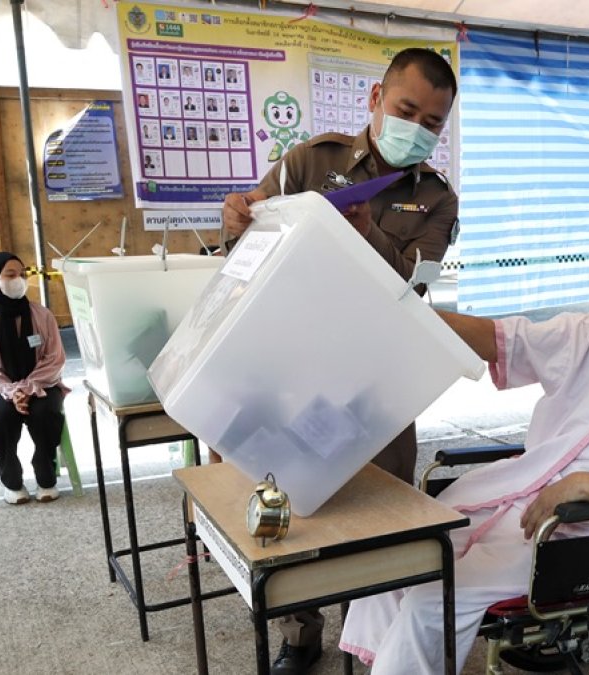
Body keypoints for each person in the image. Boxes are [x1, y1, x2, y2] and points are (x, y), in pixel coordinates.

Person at [339, 229, 589, 673]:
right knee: (390, 561)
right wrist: (404, 312)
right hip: (510, 498)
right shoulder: (588, 337)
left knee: (431, 597)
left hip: (581, 541)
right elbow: (495, 337)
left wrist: (587, 486)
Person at [221, 47, 460, 675]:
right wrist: (236, 217)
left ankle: (371, 626)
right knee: (290, 497)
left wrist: (366, 233)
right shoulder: (310, 159)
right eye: (408, 110)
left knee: (382, 503)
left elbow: (416, 284)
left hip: (377, 373)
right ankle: (301, 632)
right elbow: (250, 236)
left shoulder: (436, 197)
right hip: (291, 357)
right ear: (376, 100)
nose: (418, 128)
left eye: (433, 122)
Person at [0, 253, 70, 505]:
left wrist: (28, 388)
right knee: (1, 415)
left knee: (45, 411)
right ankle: (11, 480)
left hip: (41, 384)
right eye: (10, 275)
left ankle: (46, 474)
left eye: (22, 274)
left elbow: (55, 360)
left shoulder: (42, 315)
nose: (19, 280)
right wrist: (11, 391)